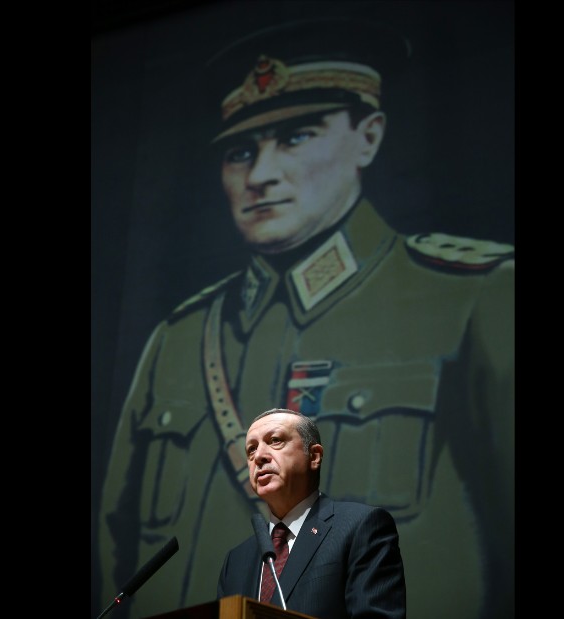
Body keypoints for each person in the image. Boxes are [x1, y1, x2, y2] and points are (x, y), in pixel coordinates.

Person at [98, 16, 514, 619]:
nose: (260, 174)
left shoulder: (476, 298)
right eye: (240, 151)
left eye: (295, 136)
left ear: (368, 136)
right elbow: (115, 549)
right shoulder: (178, 338)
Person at [217, 408, 406, 618]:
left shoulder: (360, 527)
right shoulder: (236, 560)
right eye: (251, 449)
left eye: (275, 440)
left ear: (314, 456)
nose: (259, 456)